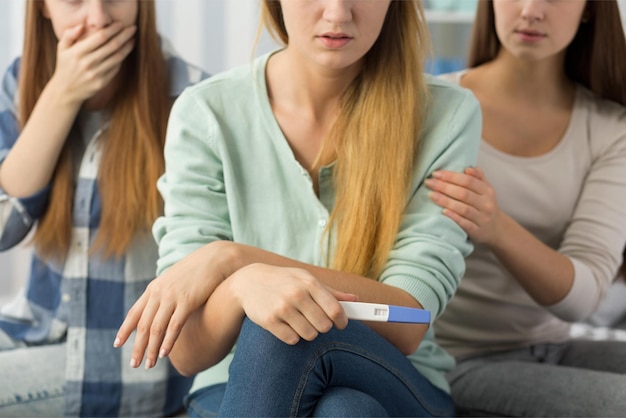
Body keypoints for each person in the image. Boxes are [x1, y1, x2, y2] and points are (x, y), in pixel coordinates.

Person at [113, 0, 482, 416]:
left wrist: (235, 260)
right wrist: (241, 286)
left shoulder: (446, 115)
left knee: (281, 326)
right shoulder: (207, 114)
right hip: (238, 384)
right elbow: (186, 351)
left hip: (398, 379)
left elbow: (407, 318)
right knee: (343, 408)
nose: (338, 14)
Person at [0, 0, 208, 416]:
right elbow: (6, 226)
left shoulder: (192, 97)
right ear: (42, 7)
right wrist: (61, 94)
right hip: (35, 329)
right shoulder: (23, 79)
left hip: (124, 361)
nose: (97, 17)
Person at [425, 0, 626, 416]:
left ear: (589, 9)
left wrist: (496, 226)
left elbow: (582, 297)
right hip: (451, 360)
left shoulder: (610, 128)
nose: (532, 10)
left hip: (552, 346)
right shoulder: (430, 104)